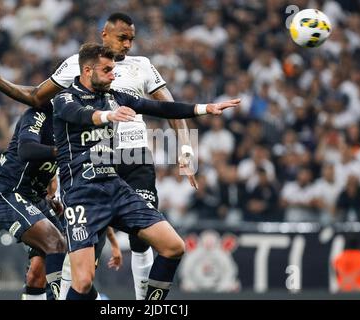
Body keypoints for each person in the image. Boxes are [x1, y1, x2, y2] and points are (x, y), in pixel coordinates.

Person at [0, 12, 197, 300]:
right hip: (92, 160)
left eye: (132, 39)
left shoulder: (143, 66)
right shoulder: (77, 66)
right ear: (105, 35)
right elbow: (37, 96)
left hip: (134, 158)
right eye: (122, 37)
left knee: (143, 238)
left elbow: (170, 108)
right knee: (80, 263)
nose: (128, 45)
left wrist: (186, 149)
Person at [52, 43, 239, 300]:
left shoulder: (114, 96)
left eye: (113, 70)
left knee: (174, 247)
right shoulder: (64, 98)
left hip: (115, 186)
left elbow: (160, 108)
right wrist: (109, 116)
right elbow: (81, 115)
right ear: (87, 70)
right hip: (82, 194)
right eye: (107, 70)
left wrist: (203, 108)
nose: (112, 75)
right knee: (83, 282)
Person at [0, 103, 68, 299]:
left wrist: (50, 196)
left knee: (38, 272)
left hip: (35, 199)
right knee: (56, 243)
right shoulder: (39, 113)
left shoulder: (71, 124)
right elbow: (27, 150)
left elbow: (52, 175)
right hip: (7, 192)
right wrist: (61, 152)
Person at [0, 220, 123, 300]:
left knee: (82, 284)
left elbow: (99, 212)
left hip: (79, 247)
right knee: (35, 274)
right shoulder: (39, 197)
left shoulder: (75, 186)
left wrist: (114, 244)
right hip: (49, 246)